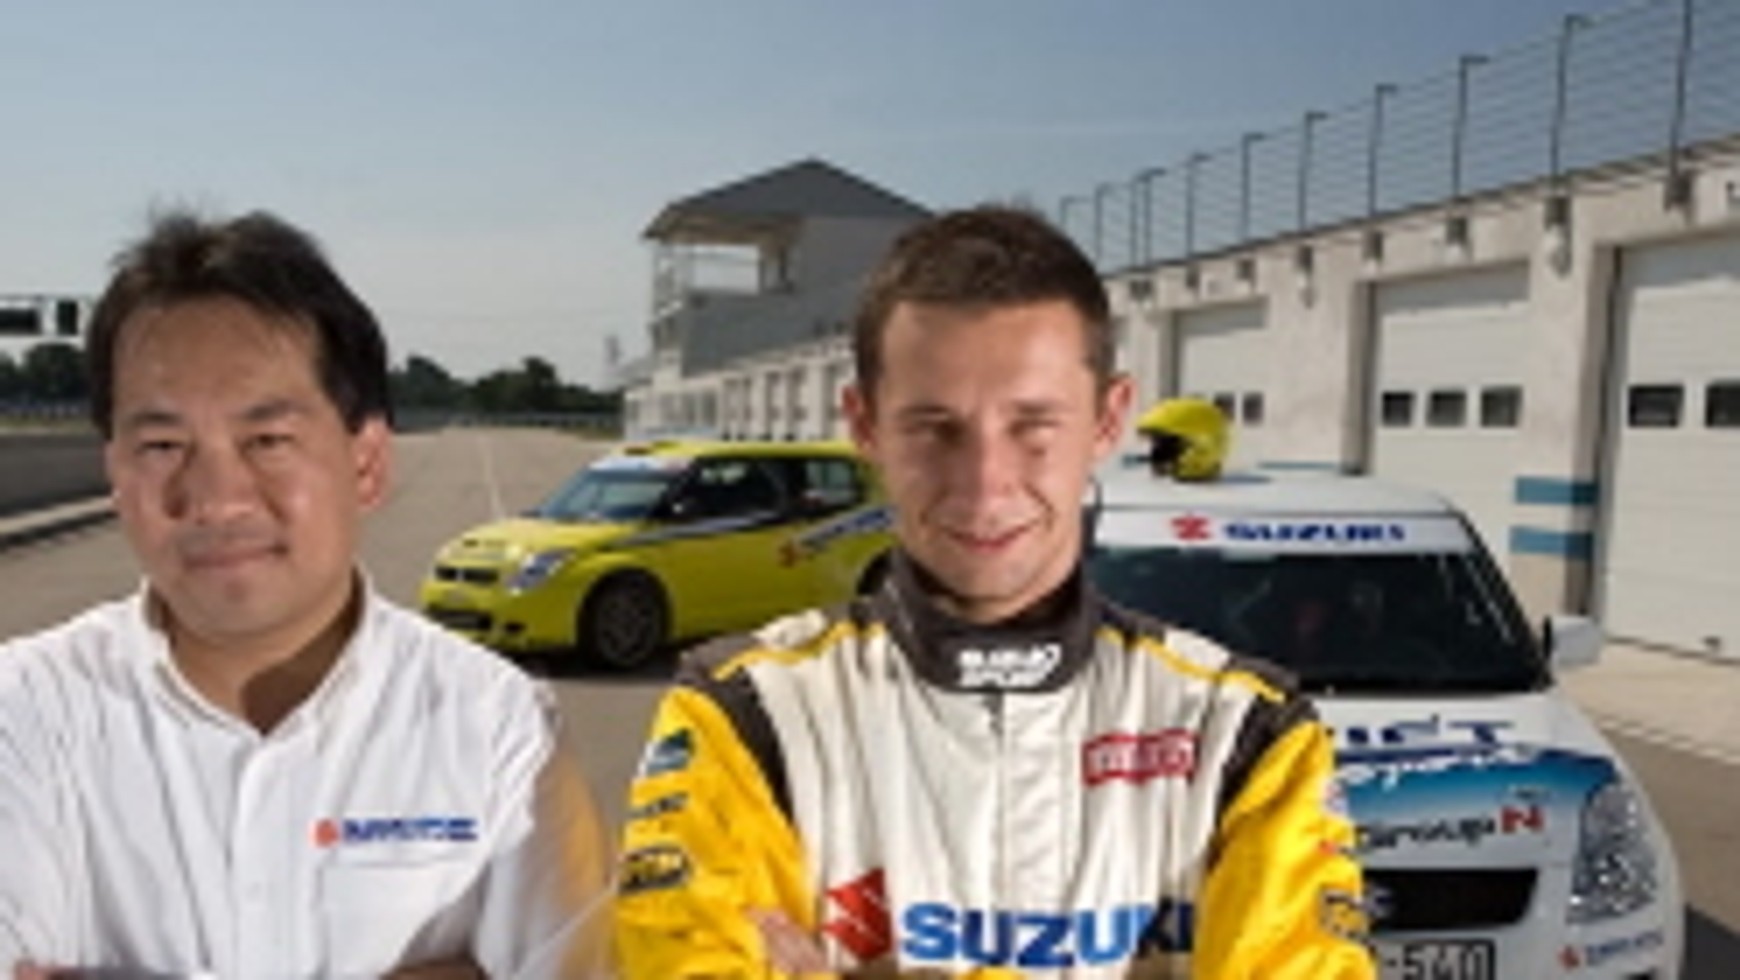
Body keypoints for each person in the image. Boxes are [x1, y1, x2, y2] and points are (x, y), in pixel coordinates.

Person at [614, 206, 1375, 978]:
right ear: (865, 425)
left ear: (1108, 419)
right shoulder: (748, 715)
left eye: (1033, 427)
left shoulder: (1245, 735)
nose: (984, 486)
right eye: (934, 428)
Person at [0, 211, 609, 978]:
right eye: (162, 445)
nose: (217, 498)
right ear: (116, 474)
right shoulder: (24, 715)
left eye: (268, 441)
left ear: (366, 464)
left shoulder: (498, 727)